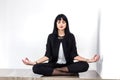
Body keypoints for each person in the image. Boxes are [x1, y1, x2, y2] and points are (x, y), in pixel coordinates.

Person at [22, 14, 100, 76]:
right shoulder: (51, 37)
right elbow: (47, 56)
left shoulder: (71, 36)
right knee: (36, 68)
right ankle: (69, 74)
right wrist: (34, 62)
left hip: (68, 66)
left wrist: (89, 60)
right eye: (59, 22)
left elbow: (74, 55)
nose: (61, 24)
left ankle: (57, 72)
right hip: (53, 65)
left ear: (66, 24)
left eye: (63, 22)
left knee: (85, 65)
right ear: (56, 24)